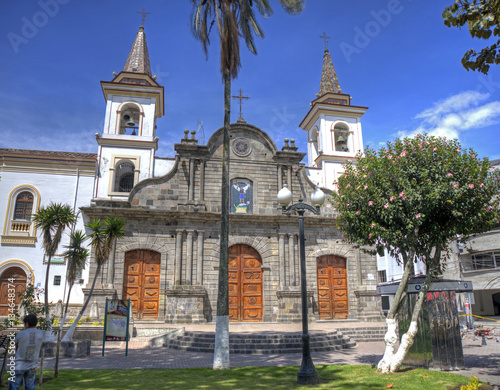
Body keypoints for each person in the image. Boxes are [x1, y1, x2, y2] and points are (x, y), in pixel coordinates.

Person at [9, 314, 45, 390]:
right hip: (32, 365)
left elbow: (17, 347)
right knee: (30, 387)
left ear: (27, 323)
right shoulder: (41, 334)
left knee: (14, 387)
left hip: (19, 365)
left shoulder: (20, 333)